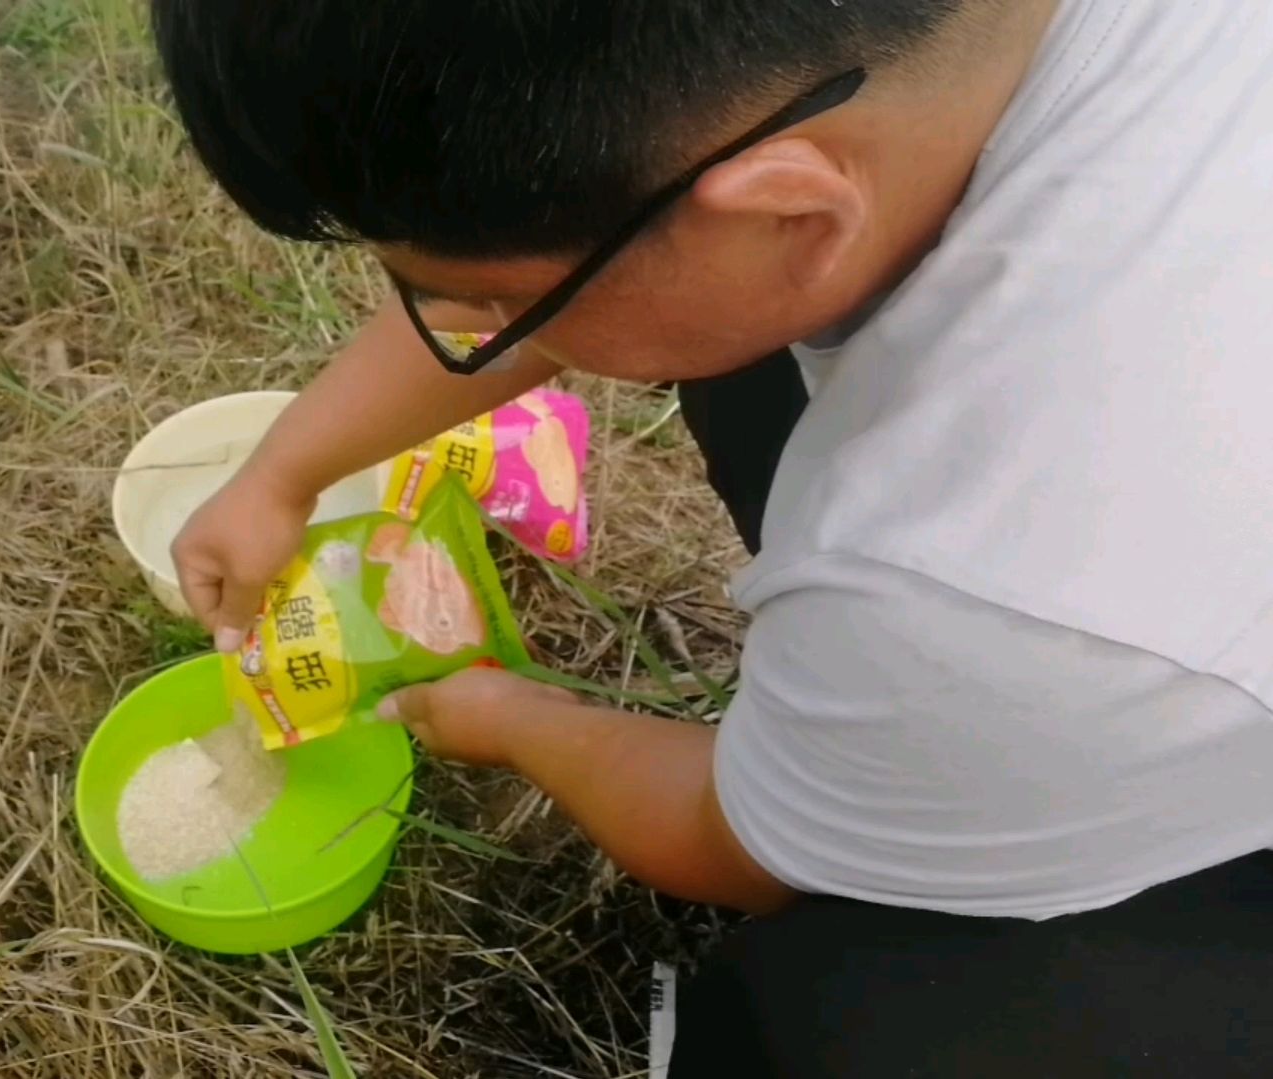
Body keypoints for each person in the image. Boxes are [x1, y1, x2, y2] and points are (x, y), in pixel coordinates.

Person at [151, 0, 1273, 1073]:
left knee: (858, 1014)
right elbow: (604, 239)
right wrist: (284, 472)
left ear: (787, 214)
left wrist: (510, 717)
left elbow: (729, 835)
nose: (471, 330)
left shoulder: (980, 590)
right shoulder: (961, 79)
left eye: (486, 308)